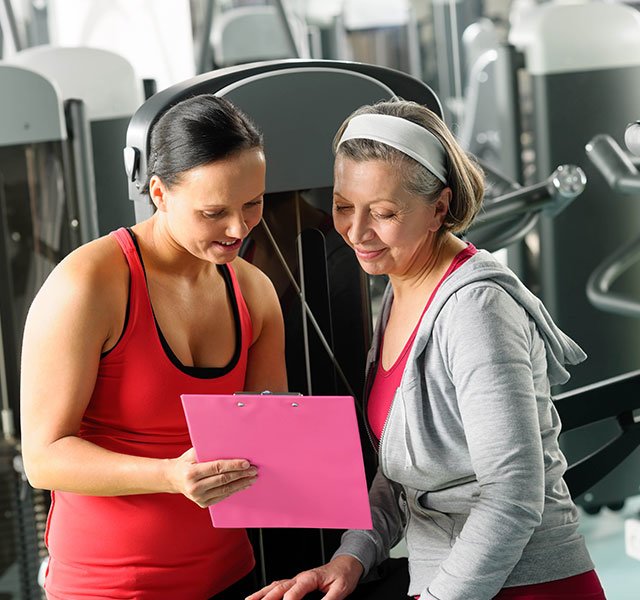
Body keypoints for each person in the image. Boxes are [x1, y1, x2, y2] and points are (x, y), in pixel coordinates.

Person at [247, 99, 607, 600]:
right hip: (446, 582)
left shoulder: (476, 309)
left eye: (385, 213)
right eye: (344, 205)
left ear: (439, 207)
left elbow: (514, 495)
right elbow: (400, 476)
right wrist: (350, 558)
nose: (356, 231)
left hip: (525, 583)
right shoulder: (400, 287)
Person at [20, 94, 287, 599]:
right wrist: (168, 475)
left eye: (253, 204)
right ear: (159, 193)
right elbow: (43, 458)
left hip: (231, 576)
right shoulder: (89, 285)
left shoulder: (254, 291)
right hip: (109, 587)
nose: (238, 228)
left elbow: (269, 439)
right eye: (214, 212)